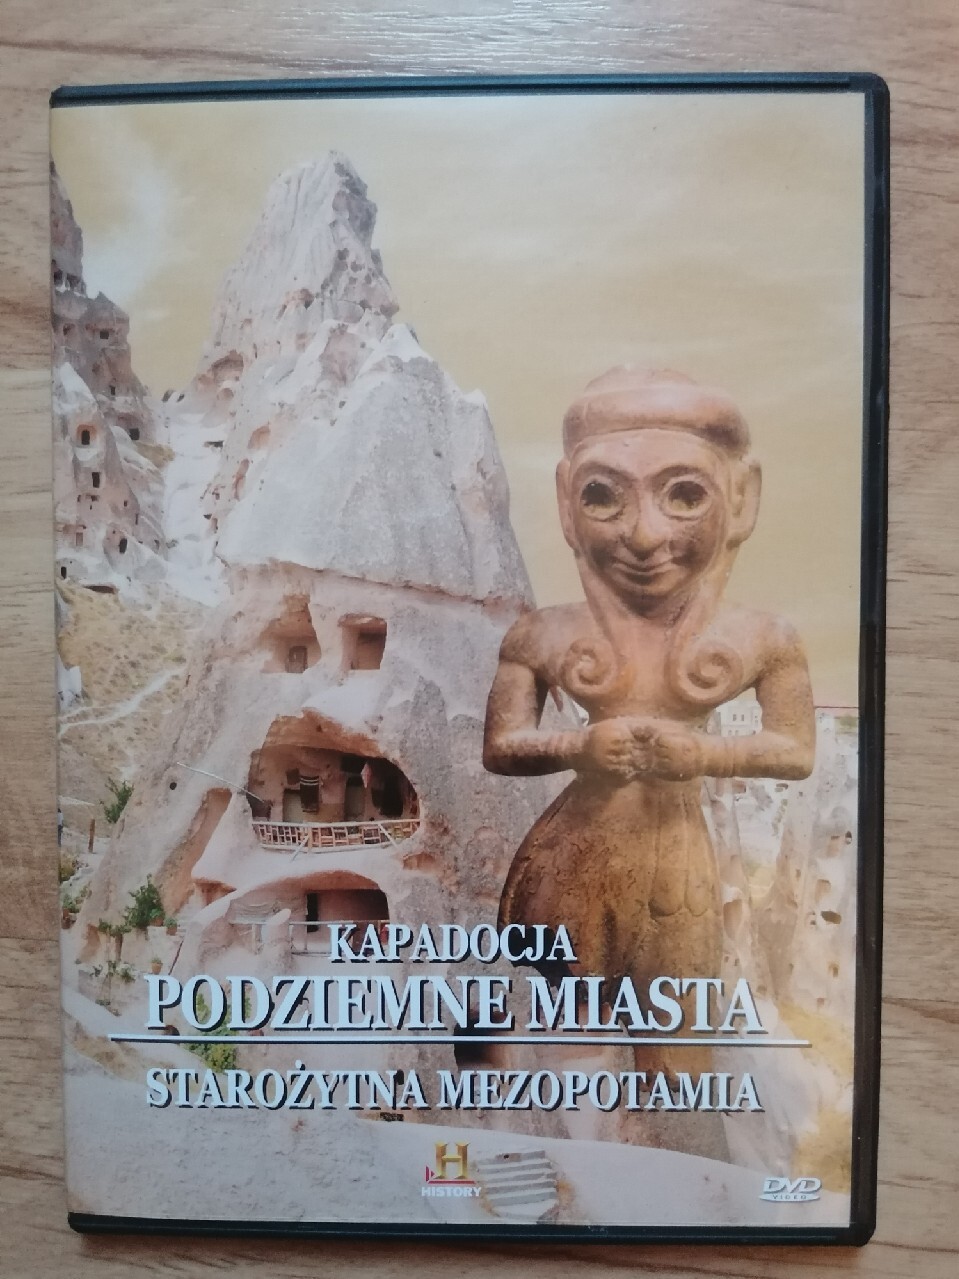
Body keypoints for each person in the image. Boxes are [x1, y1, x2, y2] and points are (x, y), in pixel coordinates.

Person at [483, 367, 815, 1156]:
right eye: (603, 496)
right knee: (564, 1035)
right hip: (569, 862)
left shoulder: (763, 637)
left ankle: (667, 1178)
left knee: (673, 1045)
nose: (641, 533)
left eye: (683, 495)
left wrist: (703, 751)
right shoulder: (542, 633)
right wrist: (575, 745)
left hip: (677, 875)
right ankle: (571, 1166)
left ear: (741, 499)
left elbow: (795, 750)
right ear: (565, 501)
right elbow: (500, 744)